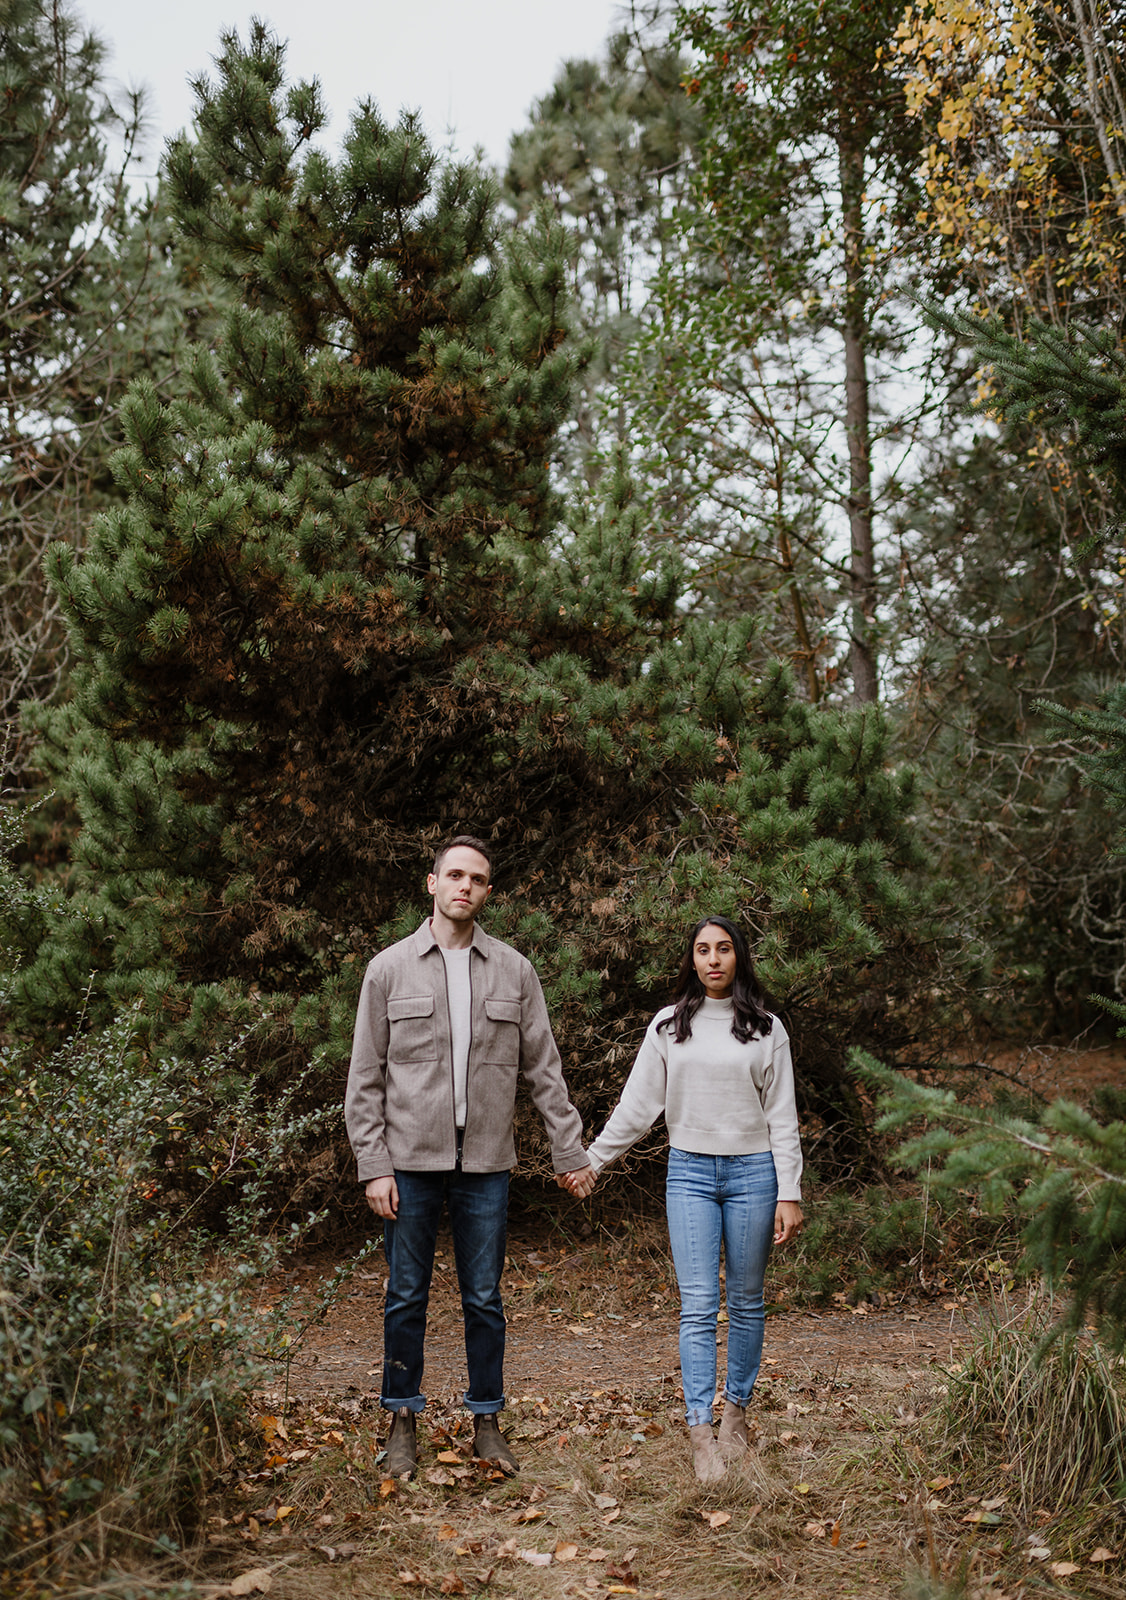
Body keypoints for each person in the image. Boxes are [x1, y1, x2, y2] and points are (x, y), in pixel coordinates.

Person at [345, 834, 593, 1479]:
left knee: (484, 1297)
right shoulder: (389, 969)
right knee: (405, 1295)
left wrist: (569, 1150)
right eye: (453, 875)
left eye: (477, 879)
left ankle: (487, 1419)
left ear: (488, 892)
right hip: (409, 1162)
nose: (464, 886)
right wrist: (373, 1164)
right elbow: (364, 1077)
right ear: (432, 884)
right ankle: (402, 1421)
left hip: (486, 1163)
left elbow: (544, 1068)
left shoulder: (514, 969)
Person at [564, 915, 802, 1483]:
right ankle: (700, 1433)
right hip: (689, 1174)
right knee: (697, 1304)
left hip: (754, 1175)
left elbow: (783, 1119)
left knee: (745, 1302)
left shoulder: (768, 1030)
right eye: (702, 950)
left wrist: (788, 1192)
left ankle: (735, 1420)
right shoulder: (669, 1027)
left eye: (723, 949)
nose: (713, 959)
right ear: (692, 960)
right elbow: (639, 1105)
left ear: (738, 957)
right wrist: (592, 1159)